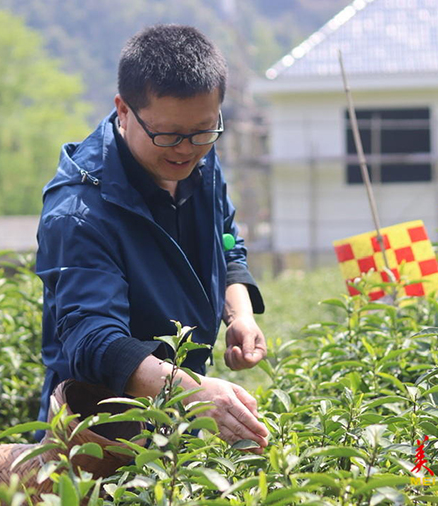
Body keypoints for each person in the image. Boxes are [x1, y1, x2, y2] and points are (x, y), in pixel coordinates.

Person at [35, 24, 268, 451]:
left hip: (183, 416)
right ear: (123, 110)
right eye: (168, 135)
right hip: (101, 435)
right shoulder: (80, 212)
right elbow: (93, 339)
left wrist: (239, 314)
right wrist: (194, 392)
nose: (185, 149)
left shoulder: (199, 154)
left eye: (203, 130)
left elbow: (226, 239)